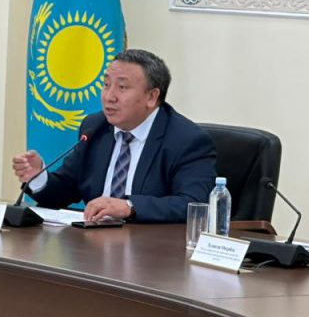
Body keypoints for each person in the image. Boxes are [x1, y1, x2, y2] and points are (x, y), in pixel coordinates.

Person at [12, 49, 216, 223]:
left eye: (122, 87)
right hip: (93, 245)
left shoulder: (186, 140)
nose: (109, 96)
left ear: (152, 97)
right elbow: (66, 189)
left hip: (150, 250)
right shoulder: (95, 127)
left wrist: (130, 207)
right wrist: (39, 178)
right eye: (106, 84)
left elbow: (194, 204)